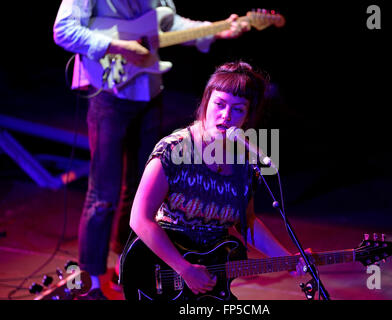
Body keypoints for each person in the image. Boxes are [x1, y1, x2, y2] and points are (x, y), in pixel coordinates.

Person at [53, 0, 250, 300]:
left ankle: (128, 266)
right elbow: (64, 30)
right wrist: (118, 46)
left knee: (141, 192)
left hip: (149, 90)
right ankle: (90, 281)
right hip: (108, 90)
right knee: (102, 193)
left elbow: (169, 24)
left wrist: (216, 31)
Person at [123, 61, 306, 300]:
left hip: (210, 276)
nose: (226, 115)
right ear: (206, 102)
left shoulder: (245, 161)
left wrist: (288, 259)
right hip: (164, 269)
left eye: (238, 109)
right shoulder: (174, 150)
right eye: (219, 104)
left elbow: (246, 222)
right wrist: (184, 268)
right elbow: (140, 219)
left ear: (248, 116)